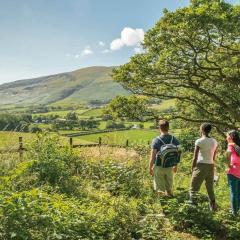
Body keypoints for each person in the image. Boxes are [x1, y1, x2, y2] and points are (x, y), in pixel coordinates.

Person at [189, 123, 218, 211]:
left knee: (193, 188)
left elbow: (195, 156)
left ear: (202, 129)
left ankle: (193, 209)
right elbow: (213, 156)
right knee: (210, 188)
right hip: (211, 165)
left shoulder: (199, 141)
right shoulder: (214, 141)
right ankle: (213, 208)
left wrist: (193, 168)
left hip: (201, 165)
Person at [149, 119, 180, 197]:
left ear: (159, 128)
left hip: (159, 166)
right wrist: (175, 165)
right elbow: (178, 153)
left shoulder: (156, 140)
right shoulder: (174, 139)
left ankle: (163, 206)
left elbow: (153, 156)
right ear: (168, 127)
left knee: (160, 189)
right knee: (169, 187)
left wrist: (150, 167)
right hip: (170, 166)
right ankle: (171, 202)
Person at [225, 130, 240, 216]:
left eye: (227, 136)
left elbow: (227, 156)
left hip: (233, 172)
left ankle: (234, 213)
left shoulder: (230, 146)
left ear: (230, 137)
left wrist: (228, 166)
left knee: (233, 192)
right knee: (238, 193)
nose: (226, 138)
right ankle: (237, 210)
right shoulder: (238, 146)